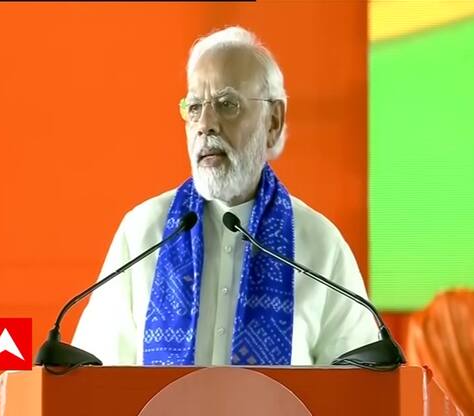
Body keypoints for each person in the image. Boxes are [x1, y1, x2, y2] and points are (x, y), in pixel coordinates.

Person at [72, 26, 377, 366]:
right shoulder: (144, 233)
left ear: (273, 121)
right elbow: (94, 374)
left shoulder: (319, 244)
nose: (205, 124)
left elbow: (359, 380)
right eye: (194, 107)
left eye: (227, 104)